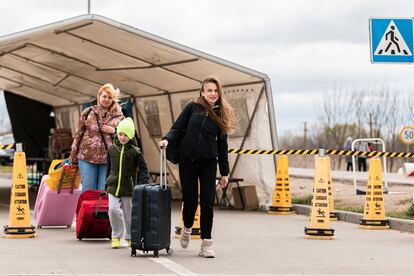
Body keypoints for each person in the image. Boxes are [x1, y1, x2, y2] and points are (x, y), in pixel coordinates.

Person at [159, 76, 236, 258]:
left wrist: (224, 172)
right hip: (188, 160)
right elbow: (177, 127)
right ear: (202, 92)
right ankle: (186, 228)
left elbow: (222, 146)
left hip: (209, 162)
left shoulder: (221, 114)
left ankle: (206, 243)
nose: (212, 93)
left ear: (219, 93)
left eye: (215, 91)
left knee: (208, 202)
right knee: (191, 200)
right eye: (209, 90)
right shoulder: (192, 107)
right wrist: (167, 139)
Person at [69, 83, 124, 192]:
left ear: (113, 99)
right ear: (99, 97)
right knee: (88, 191)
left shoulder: (119, 116)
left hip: (108, 159)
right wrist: (72, 156)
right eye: (104, 96)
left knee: (103, 192)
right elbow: (78, 134)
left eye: (110, 97)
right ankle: (86, 210)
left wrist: (114, 131)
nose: (106, 99)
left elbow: (128, 135)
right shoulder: (88, 112)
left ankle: (100, 210)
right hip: (86, 157)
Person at [106, 117, 149, 249]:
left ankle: (130, 236)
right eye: (120, 134)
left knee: (129, 214)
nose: (122, 137)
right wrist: (105, 184)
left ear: (130, 135)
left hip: (129, 187)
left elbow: (143, 168)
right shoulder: (112, 149)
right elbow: (108, 167)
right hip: (112, 185)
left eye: (126, 135)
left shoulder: (135, 152)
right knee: (113, 209)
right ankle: (116, 236)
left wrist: (141, 184)